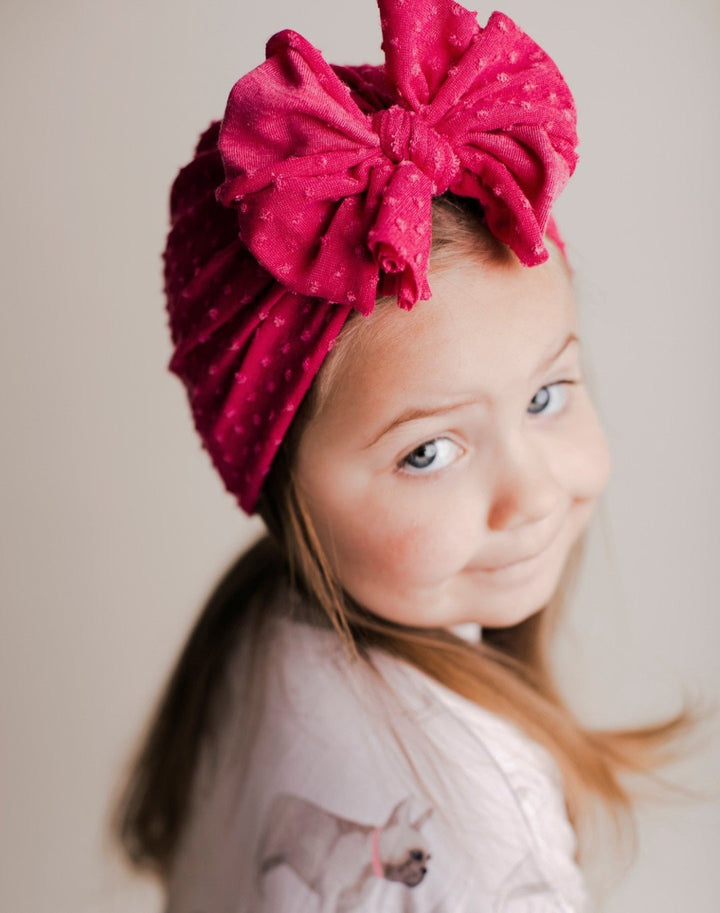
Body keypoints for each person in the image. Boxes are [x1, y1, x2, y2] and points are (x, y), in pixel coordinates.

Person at [110, 1, 692, 909]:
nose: (530, 491)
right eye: (429, 452)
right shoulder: (473, 832)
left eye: (546, 396)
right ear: (279, 475)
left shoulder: (254, 640)